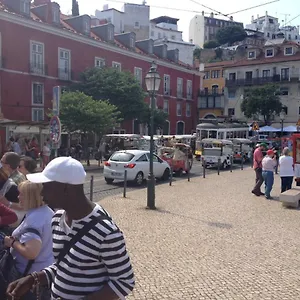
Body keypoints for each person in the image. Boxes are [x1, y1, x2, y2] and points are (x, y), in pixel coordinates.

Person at [7, 157, 135, 300]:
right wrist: (34, 278)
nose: (42, 194)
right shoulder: (56, 219)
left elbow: (124, 282)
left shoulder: (105, 231)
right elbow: (64, 266)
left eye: (47, 187)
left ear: (66, 189)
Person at [3, 180, 54, 299]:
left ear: (31, 197)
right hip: (42, 272)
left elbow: (31, 252)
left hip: (27, 276)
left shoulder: (34, 221)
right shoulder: (47, 212)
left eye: (21, 194)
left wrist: (12, 243)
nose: (18, 197)